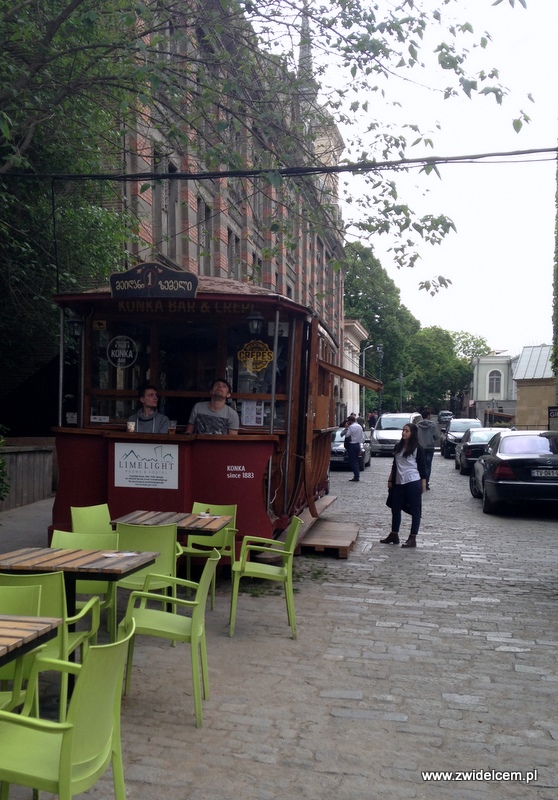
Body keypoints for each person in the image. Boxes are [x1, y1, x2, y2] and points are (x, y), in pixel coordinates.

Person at [381, 422, 427, 548]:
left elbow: (423, 467)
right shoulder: (398, 446)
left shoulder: (418, 448)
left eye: (407, 431)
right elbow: (395, 464)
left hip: (413, 481)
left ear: (412, 433)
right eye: (403, 430)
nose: (404, 433)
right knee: (395, 508)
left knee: (415, 510)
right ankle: (394, 534)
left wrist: (423, 484)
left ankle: (412, 538)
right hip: (399, 482)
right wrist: (390, 479)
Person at [417, 409, 440, 490]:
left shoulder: (418, 425)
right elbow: (437, 436)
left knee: (420, 465)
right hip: (429, 448)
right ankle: (426, 483)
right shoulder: (433, 425)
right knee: (428, 466)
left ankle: (420, 482)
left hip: (420, 447)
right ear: (428, 416)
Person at [342, 414, 364, 482]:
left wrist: (347, 427)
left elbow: (347, 435)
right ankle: (357, 475)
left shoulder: (351, 427)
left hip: (352, 445)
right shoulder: (359, 426)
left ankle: (356, 476)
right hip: (358, 444)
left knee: (353, 461)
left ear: (349, 421)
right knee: (356, 461)